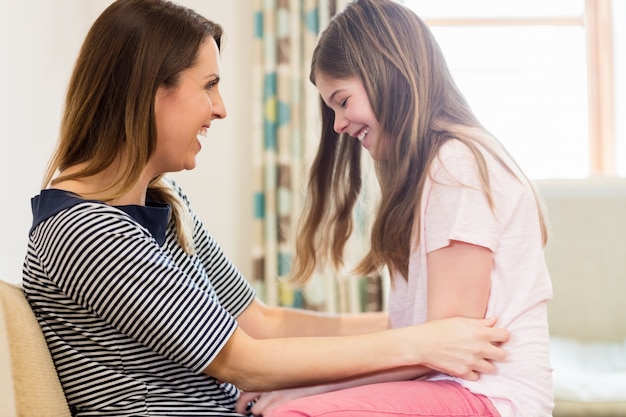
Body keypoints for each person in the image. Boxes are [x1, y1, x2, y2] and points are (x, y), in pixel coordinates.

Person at [22, 0, 510, 416]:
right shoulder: (81, 230)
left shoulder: (165, 206)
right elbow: (243, 360)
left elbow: (260, 321)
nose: (221, 108)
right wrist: (423, 344)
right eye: (208, 85)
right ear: (148, 91)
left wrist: (413, 324)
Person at [236, 0, 554, 416]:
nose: (338, 125)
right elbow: (416, 341)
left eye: (343, 101)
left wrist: (304, 393)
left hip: (488, 396)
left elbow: (441, 348)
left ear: (386, 73)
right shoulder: (433, 170)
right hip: (451, 387)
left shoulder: (456, 164)